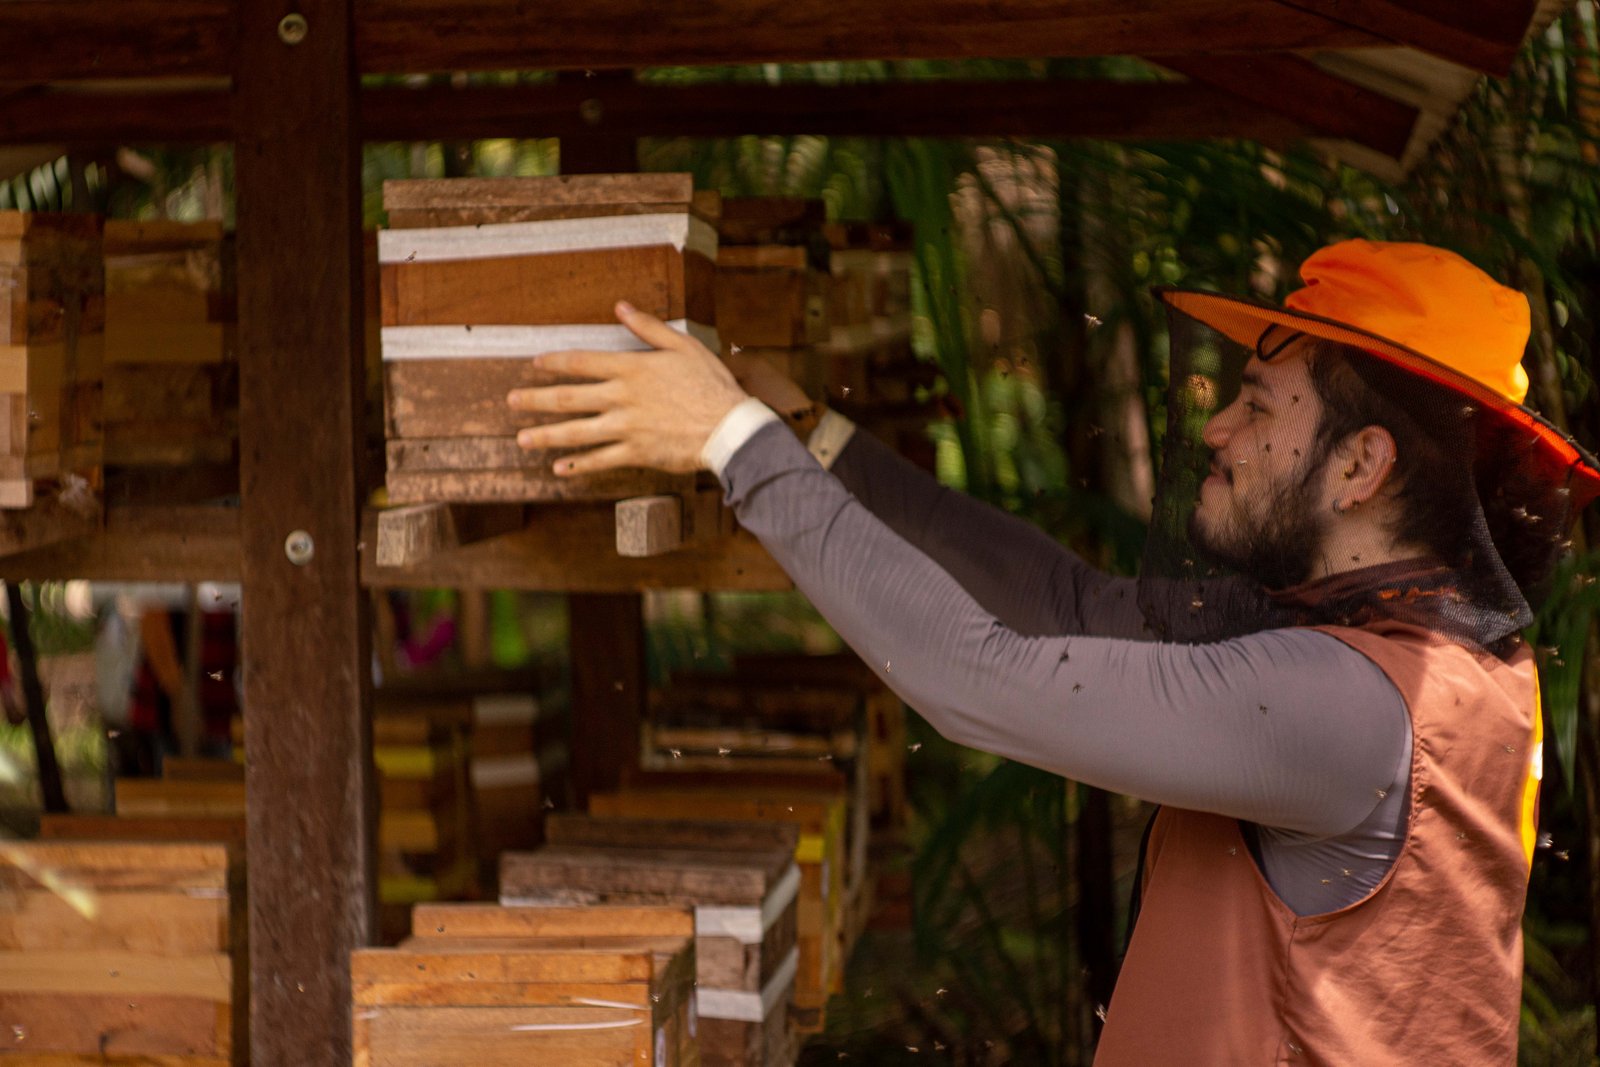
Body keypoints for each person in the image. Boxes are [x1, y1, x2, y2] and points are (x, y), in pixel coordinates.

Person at [507, 240, 1600, 1064]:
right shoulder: (1421, 653)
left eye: (1257, 404)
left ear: (1360, 465)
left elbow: (982, 679)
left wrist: (731, 446)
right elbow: (1064, 601)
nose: (1216, 427)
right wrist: (812, 441)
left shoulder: (1355, 702)